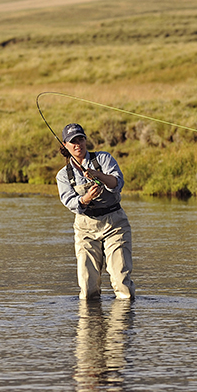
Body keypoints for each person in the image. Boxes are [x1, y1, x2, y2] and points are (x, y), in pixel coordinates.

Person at [55, 123, 134, 300]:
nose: (78, 144)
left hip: (115, 224)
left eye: (80, 139)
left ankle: (122, 326)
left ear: (85, 140)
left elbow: (117, 183)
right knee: (87, 288)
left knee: (122, 283)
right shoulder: (63, 175)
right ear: (65, 146)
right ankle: (90, 325)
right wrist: (86, 198)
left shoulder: (103, 159)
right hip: (85, 228)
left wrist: (98, 176)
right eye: (72, 141)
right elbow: (70, 202)